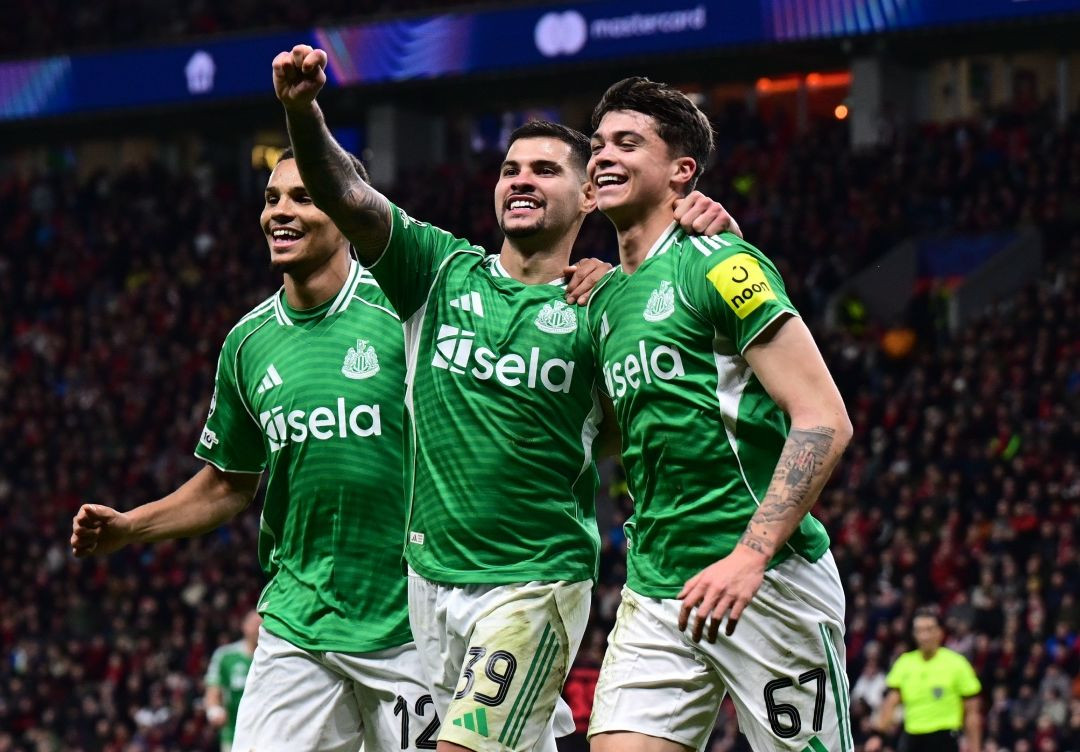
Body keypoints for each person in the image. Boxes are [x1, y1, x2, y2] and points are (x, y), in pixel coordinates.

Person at [272, 44, 739, 752]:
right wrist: (303, 112)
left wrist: (720, 232)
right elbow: (349, 197)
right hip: (430, 580)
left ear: (589, 194)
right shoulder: (437, 271)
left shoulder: (606, 303)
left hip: (535, 580)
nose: (521, 180)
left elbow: (670, 389)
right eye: (510, 169)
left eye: (546, 170)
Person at [71, 150, 440, 751]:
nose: (280, 212)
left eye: (304, 197)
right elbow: (228, 482)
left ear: (349, 211)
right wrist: (130, 526)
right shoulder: (248, 342)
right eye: (272, 199)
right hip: (298, 627)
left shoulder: (407, 313)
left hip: (409, 626)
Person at [583, 76, 854, 751]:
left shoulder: (721, 264)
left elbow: (824, 418)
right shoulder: (605, 299)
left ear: (682, 172)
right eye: (598, 144)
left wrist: (749, 557)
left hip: (768, 584)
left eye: (627, 143)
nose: (603, 155)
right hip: (656, 588)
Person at [874, 607, 983, 752]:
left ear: (940, 632)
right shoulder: (904, 663)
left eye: (929, 629)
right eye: (919, 630)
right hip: (913, 737)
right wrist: (878, 735)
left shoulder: (957, 664)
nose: (924, 636)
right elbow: (890, 703)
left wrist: (975, 748)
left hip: (945, 737)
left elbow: (972, 713)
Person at [204, 610, 260, 752]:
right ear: (244, 626)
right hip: (233, 733)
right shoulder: (226, 655)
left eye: (261, 624)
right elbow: (213, 689)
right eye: (254, 623)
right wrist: (214, 710)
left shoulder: (275, 658)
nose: (258, 628)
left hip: (266, 732)